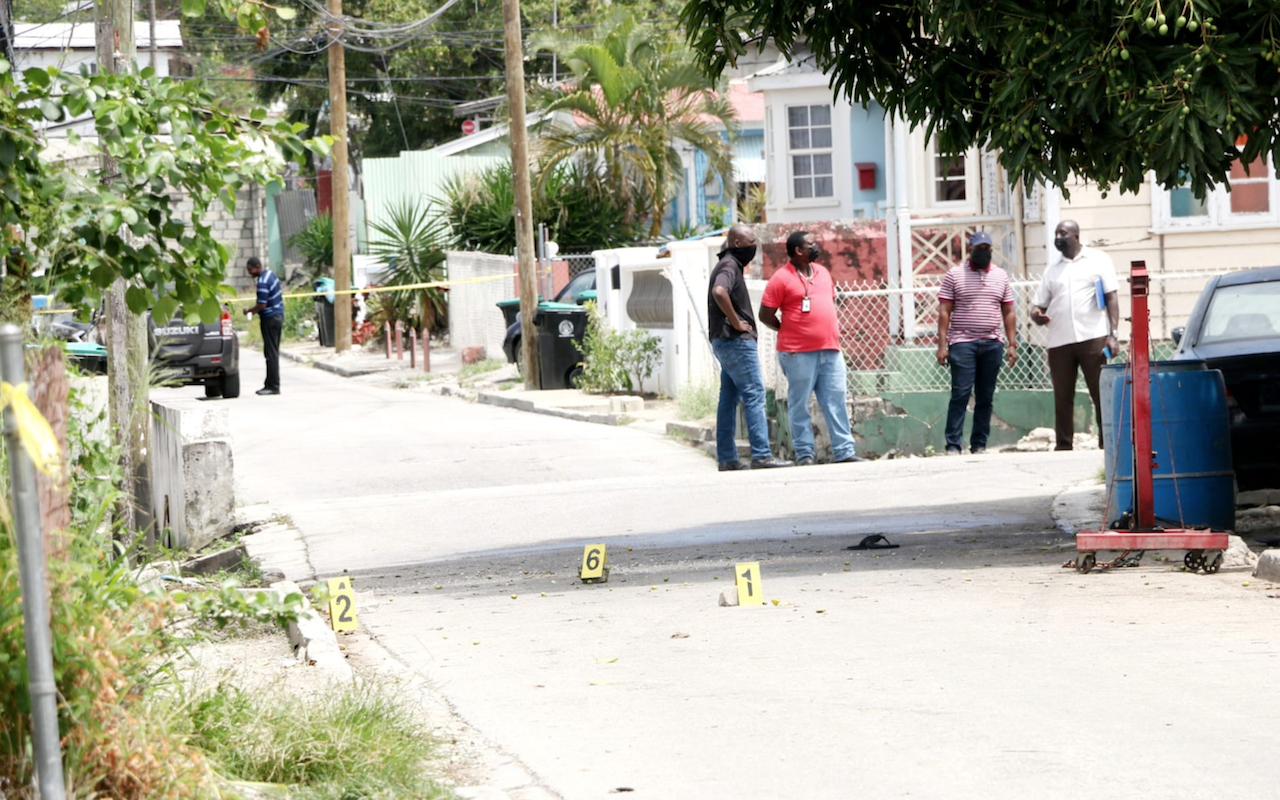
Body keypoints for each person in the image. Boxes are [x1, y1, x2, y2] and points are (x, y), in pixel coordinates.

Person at [759, 230, 864, 465]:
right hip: (797, 353)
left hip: (830, 350)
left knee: (836, 400)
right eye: (811, 244)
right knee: (799, 403)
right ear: (798, 251)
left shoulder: (823, 273)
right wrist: (788, 330)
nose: (815, 247)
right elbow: (765, 314)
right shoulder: (781, 278)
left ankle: (844, 451)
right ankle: (805, 453)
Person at [708, 224, 792, 472]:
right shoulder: (730, 265)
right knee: (754, 393)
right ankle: (762, 455)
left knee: (729, 398)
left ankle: (727, 458)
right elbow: (719, 291)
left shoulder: (727, 263)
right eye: (751, 240)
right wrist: (736, 322)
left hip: (724, 341)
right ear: (736, 244)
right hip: (735, 342)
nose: (754, 245)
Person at [1031, 220, 1120, 450]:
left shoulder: (1098, 260)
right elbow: (1037, 305)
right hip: (1059, 341)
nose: (1058, 237)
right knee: (1062, 396)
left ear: (1076, 236)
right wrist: (1037, 315)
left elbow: (1111, 297)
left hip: (1093, 337)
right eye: (1056, 233)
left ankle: (1107, 441)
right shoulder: (1053, 269)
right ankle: (1063, 444)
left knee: (1100, 391)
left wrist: (1113, 334)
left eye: (1063, 233)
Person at [936, 231, 1018, 455]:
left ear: (991, 250)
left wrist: (1012, 343)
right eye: (978, 249)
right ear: (970, 250)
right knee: (961, 393)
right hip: (963, 342)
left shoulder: (1001, 276)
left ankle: (979, 444)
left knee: (986, 396)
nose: (982, 253)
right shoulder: (954, 275)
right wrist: (942, 345)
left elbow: (1008, 311)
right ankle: (953, 444)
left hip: (992, 342)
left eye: (986, 249)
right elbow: (944, 311)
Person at [244, 256, 284, 396]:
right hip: (278, 316)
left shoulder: (262, 281)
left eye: (250, 270)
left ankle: (273, 386)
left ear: (256, 267)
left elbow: (262, 304)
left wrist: (249, 311)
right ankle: (270, 383)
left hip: (270, 318)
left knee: (271, 353)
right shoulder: (270, 275)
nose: (250, 273)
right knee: (272, 351)